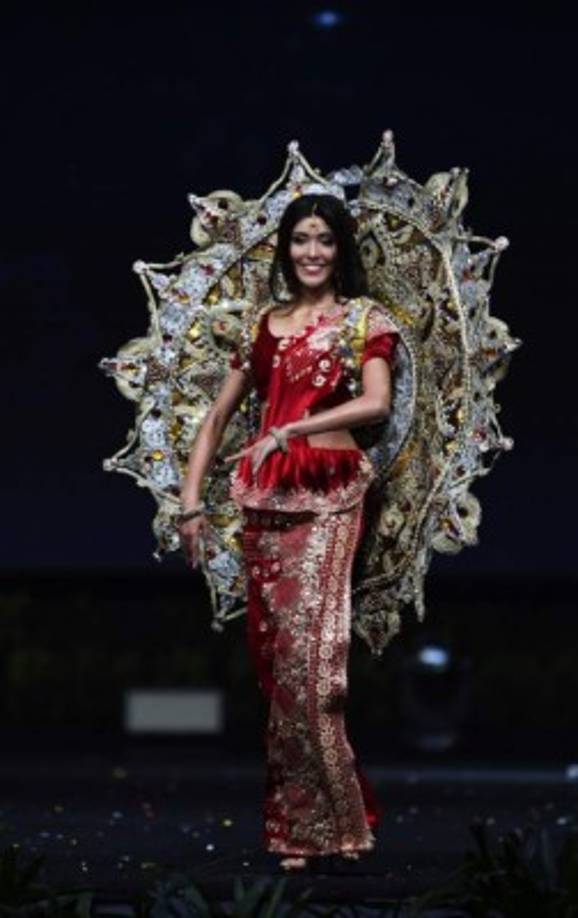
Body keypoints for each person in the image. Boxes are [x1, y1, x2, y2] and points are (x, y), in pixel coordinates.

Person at [177, 192, 399, 871]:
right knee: (279, 668)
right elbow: (216, 420)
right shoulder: (264, 326)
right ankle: (301, 824)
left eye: (324, 240)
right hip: (265, 501)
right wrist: (189, 503)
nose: (312, 252)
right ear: (285, 246)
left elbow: (377, 401)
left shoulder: (363, 320)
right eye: (301, 239)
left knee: (316, 666)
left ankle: (336, 822)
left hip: (332, 492)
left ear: (340, 250)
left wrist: (293, 428)